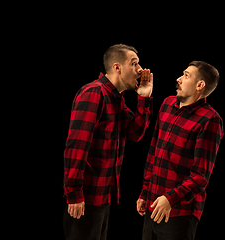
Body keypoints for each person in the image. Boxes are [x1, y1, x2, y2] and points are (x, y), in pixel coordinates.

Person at [63, 44, 153, 240]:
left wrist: (144, 98)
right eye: (134, 63)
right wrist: (75, 194)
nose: (140, 70)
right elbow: (76, 147)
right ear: (117, 67)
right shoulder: (94, 93)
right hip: (85, 199)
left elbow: (134, 133)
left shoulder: (116, 98)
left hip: (102, 196)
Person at [136, 61, 224, 240]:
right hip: (152, 206)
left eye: (185, 75)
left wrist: (170, 199)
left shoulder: (210, 120)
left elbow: (201, 175)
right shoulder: (167, 104)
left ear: (200, 85)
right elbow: (153, 152)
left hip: (179, 214)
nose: (179, 79)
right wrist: (145, 192)